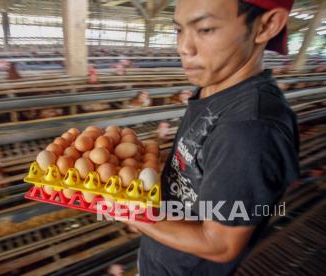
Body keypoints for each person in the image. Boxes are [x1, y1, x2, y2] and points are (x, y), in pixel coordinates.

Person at [121, 0, 299, 275]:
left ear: (267, 25)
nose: (183, 47)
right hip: (163, 258)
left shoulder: (249, 129)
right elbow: (198, 164)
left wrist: (130, 213)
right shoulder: (213, 91)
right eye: (179, 30)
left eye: (204, 29)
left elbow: (220, 244)